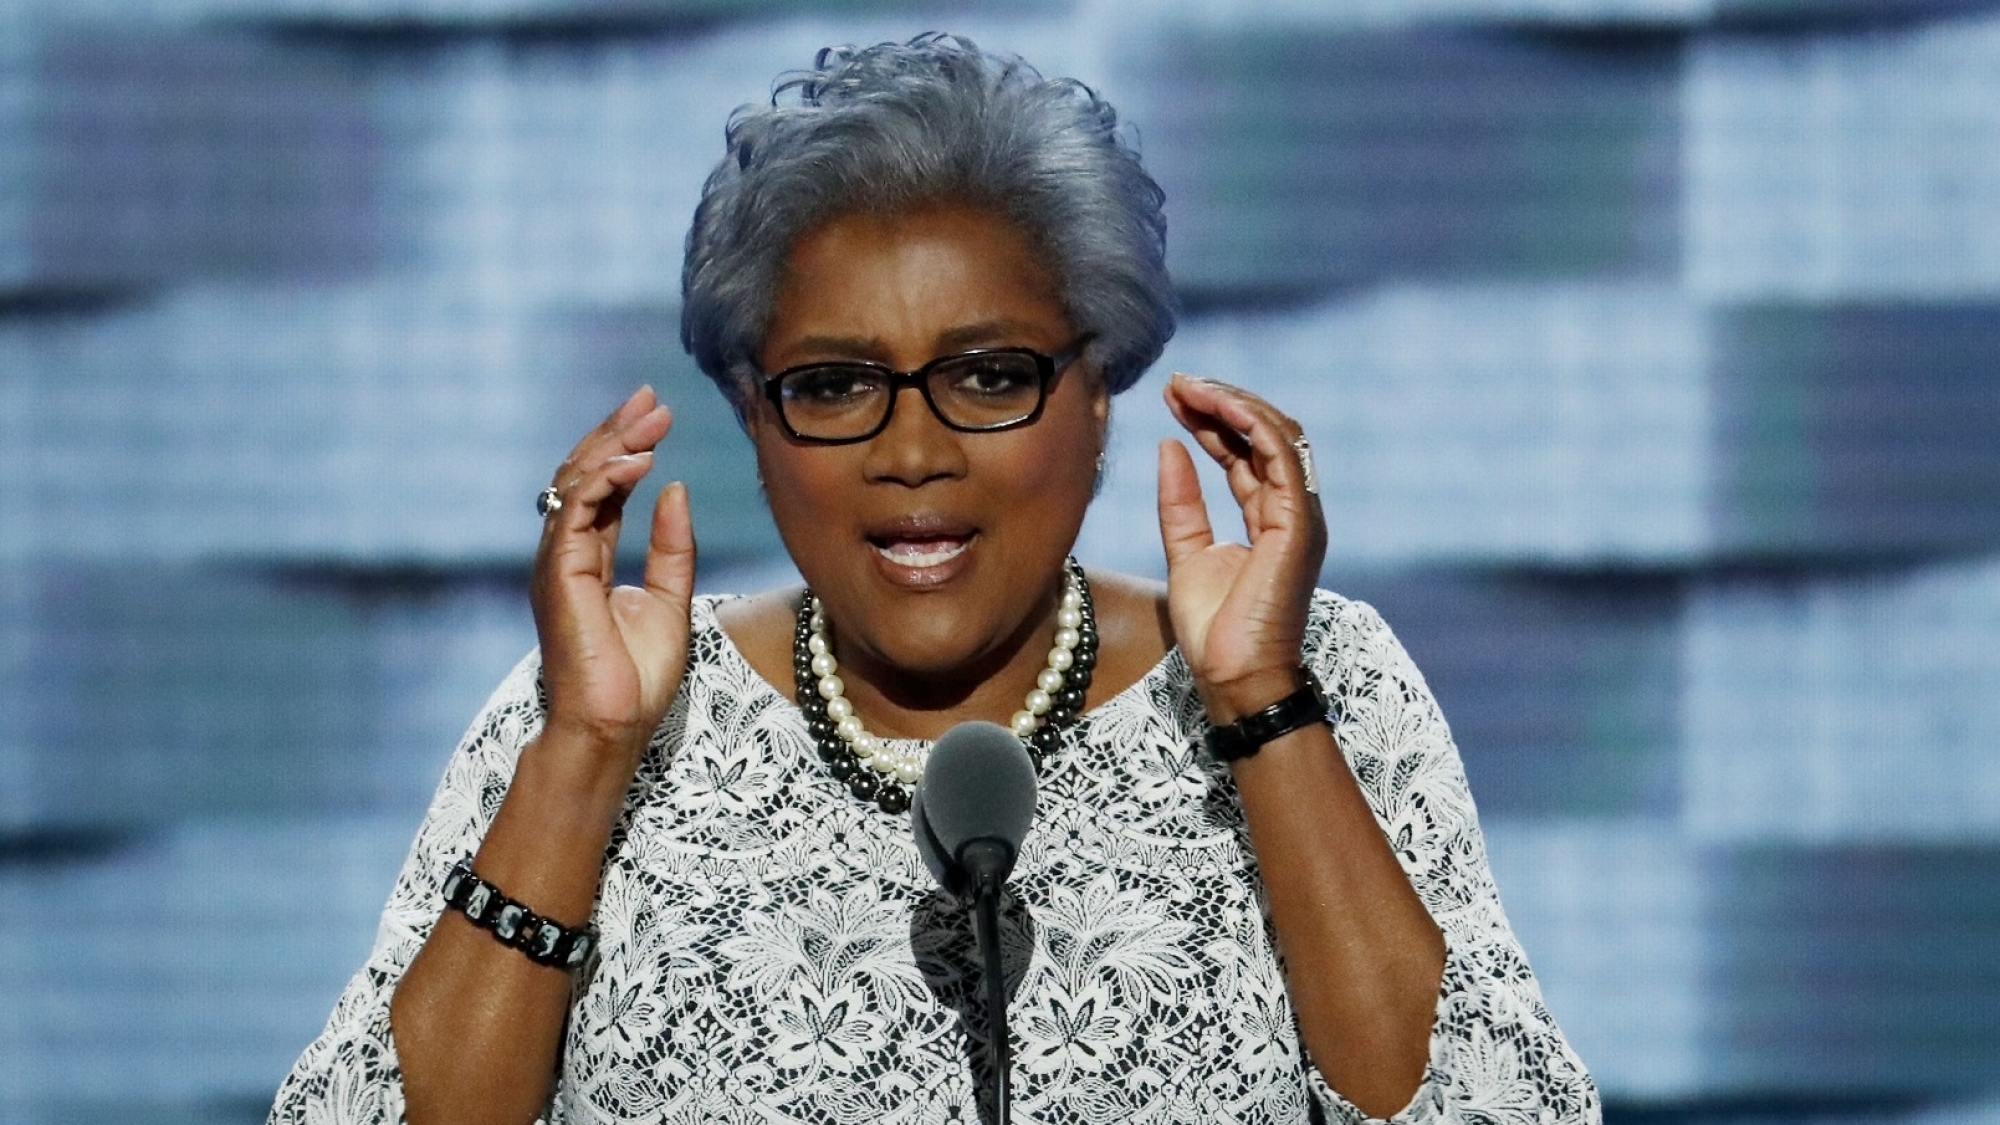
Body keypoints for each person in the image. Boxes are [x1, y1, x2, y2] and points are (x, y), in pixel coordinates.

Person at [272, 33, 1598, 1125]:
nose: (913, 450)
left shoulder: (1319, 677)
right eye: (836, 385)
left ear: (1099, 395)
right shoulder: (597, 708)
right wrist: (581, 752)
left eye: (987, 374)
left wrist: (1257, 701)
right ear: (753, 417)